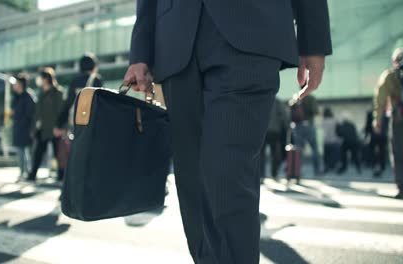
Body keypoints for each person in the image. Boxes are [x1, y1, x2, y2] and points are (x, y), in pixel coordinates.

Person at [123, 1, 332, 263]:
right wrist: (141, 51)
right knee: (192, 181)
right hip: (175, 40)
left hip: (252, 31)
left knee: (226, 171)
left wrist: (313, 40)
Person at [374, 48, 403, 199]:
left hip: (400, 120)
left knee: (400, 154)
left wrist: (378, 119)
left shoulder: (390, 76)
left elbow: (381, 98)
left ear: (395, 61)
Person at [27, 67, 64, 182]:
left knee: (58, 154)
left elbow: (61, 110)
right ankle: (32, 174)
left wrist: (61, 127)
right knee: (38, 152)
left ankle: (61, 176)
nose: (39, 80)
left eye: (41, 78)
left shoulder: (57, 92)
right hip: (43, 129)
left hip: (54, 128)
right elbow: (37, 112)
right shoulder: (41, 93)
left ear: (46, 79)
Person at [54, 53, 103, 136]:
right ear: (94, 65)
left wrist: (59, 124)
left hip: (78, 121)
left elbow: (68, 103)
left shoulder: (75, 81)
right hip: (93, 121)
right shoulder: (96, 80)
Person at [292, 88, 322, 176]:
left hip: (298, 127)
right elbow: (316, 112)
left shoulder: (296, 97)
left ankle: (297, 171)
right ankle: (317, 171)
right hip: (309, 125)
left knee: (298, 149)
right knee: (315, 149)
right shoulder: (311, 98)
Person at [11, 73, 36, 180]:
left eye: (15, 83)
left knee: (27, 151)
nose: (14, 85)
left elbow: (31, 113)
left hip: (26, 127)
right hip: (18, 126)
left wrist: (32, 129)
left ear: (20, 84)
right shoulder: (16, 97)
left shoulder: (28, 96)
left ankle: (27, 172)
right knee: (20, 150)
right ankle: (22, 172)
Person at [260, 99, 289, 181]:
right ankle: (274, 174)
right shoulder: (278, 103)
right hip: (275, 132)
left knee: (261, 155)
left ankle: (261, 175)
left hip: (263, 132)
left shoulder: (262, 101)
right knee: (275, 154)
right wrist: (287, 128)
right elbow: (284, 116)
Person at [364, 109, 388, 177]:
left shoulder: (371, 113)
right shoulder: (385, 113)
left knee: (373, 152)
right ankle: (380, 167)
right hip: (382, 136)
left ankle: (375, 166)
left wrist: (366, 136)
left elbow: (367, 126)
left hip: (374, 136)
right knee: (381, 152)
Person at [321, 107, 340, 173]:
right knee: (335, 156)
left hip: (326, 141)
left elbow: (323, 132)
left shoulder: (323, 121)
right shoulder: (335, 120)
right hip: (335, 140)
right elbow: (339, 130)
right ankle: (335, 168)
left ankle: (326, 167)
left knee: (326, 156)